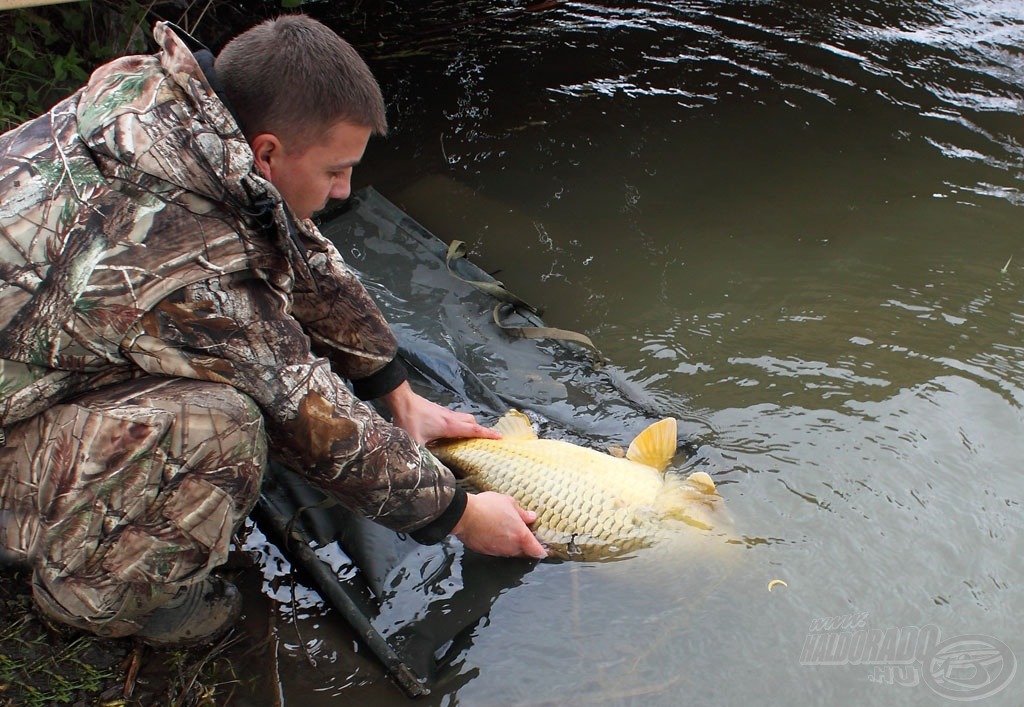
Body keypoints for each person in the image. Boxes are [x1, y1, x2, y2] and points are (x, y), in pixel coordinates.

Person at [0, 14, 546, 646]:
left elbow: (300, 252)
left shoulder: (154, 103)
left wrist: (392, 388)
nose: (346, 191)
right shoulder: (183, 247)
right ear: (267, 152)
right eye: (336, 171)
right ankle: (96, 595)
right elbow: (307, 414)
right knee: (225, 428)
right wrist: (461, 514)